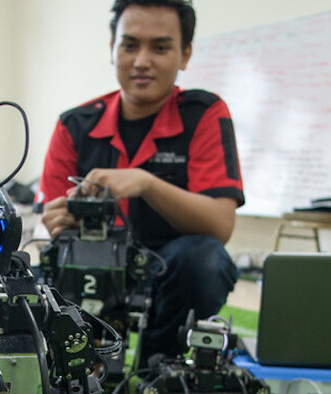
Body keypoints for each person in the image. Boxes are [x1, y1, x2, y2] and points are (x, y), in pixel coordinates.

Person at [38, 0, 243, 367]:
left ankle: (159, 372)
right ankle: (75, 374)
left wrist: (146, 183)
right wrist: (56, 220)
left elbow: (220, 224)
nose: (142, 60)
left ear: (185, 54)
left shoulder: (204, 114)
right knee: (37, 273)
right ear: (112, 49)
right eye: (129, 45)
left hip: (169, 272)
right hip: (94, 266)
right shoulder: (75, 125)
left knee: (205, 261)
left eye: (160, 47)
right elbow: (50, 225)